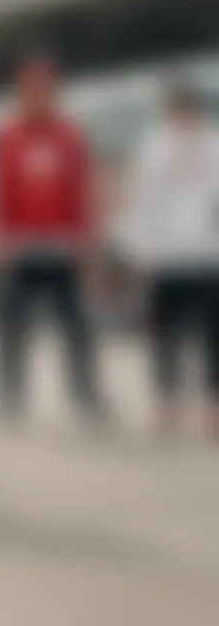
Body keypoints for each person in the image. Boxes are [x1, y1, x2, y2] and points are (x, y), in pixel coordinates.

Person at [0, 56, 105, 425]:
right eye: (30, 90)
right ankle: (10, 397)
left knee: (78, 325)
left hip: (63, 244)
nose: (38, 96)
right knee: (12, 326)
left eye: (45, 90)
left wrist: (87, 240)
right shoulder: (6, 137)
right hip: (20, 245)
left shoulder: (71, 136)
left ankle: (85, 394)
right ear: (19, 93)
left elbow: (81, 189)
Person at [126, 83, 219, 440]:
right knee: (166, 334)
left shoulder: (214, 145)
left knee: (214, 336)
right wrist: (142, 251)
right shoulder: (154, 149)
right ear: (169, 113)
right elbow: (143, 202)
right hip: (167, 257)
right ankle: (168, 401)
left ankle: (213, 404)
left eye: (190, 109)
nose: (185, 116)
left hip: (210, 253)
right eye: (179, 110)